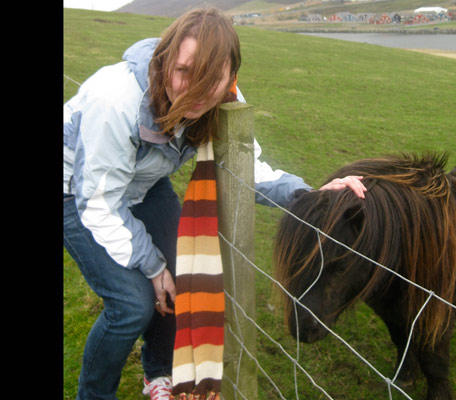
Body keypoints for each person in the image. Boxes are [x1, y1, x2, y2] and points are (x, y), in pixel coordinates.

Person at [63, 8, 367, 400]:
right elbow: (99, 202)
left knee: (183, 274)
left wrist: (312, 197)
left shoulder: (226, 102)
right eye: (185, 71)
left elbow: (250, 168)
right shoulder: (115, 102)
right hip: (78, 193)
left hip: (142, 185)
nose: (194, 89)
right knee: (131, 306)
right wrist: (152, 266)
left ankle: (158, 374)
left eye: (212, 78)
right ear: (165, 57)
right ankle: (94, 394)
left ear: (231, 78)